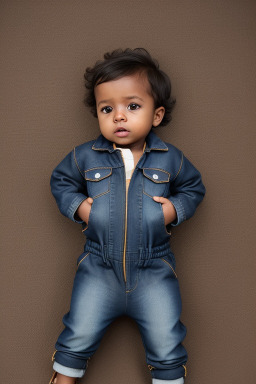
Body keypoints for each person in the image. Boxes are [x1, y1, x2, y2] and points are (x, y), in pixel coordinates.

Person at [49, 48, 206, 384]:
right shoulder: (85, 156)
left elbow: (193, 189)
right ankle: (63, 378)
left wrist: (172, 210)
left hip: (154, 270)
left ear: (156, 114)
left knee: (166, 337)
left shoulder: (170, 159)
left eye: (132, 106)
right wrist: (81, 207)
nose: (119, 116)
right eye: (108, 109)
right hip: (98, 268)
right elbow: (60, 181)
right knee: (79, 328)